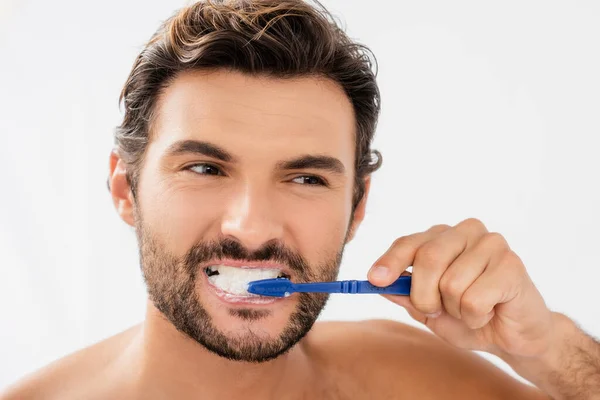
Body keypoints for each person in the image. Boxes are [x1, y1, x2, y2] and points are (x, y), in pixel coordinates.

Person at [2, 1, 599, 399]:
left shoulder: (415, 380)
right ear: (125, 191)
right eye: (206, 168)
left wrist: (548, 347)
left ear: (357, 207)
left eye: (306, 179)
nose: (253, 227)